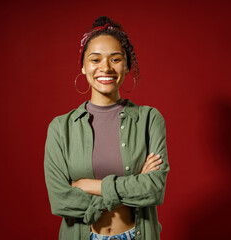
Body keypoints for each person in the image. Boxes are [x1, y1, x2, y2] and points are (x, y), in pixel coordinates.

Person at [44, 16, 169, 240]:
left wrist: (88, 185)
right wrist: (134, 185)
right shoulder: (60, 128)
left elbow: (154, 189)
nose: (106, 68)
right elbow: (60, 200)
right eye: (95, 60)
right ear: (83, 67)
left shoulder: (150, 119)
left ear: (127, 65)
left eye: (115, 59)